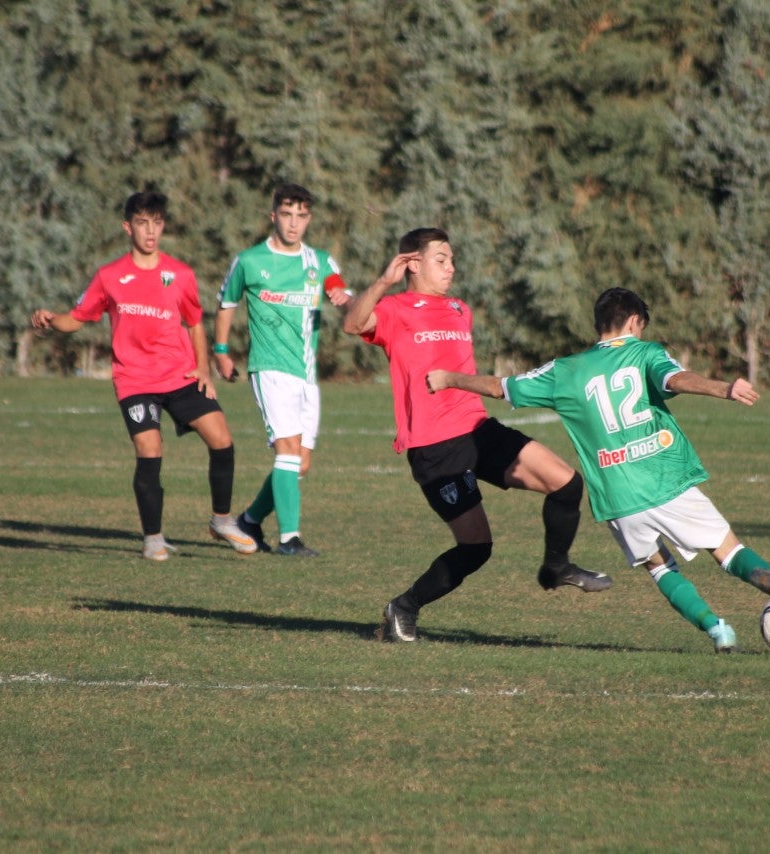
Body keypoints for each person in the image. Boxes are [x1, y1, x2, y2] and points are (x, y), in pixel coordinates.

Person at [425, 286, 770, 653]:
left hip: (618, 497)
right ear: (634, 321)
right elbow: (677, 379)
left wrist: (448, 378)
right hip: (664, 478)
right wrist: (724, 388)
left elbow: (500, 387)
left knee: (660, 568)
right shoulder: (645, 353)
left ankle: (717, 629)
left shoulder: (566, 369)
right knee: (729, 552)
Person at [343, 227, 611, 643]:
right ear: (413, 263)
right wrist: (382, 282)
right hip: (435, 447)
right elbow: (353, 323)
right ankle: (404, 608)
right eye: (441, 260)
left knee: (567, 482)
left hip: (478, 429)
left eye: (452, 259)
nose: (451, 267)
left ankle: (557, 566)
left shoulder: (458, 309)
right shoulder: (395, 308)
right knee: (476, 548)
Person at [30, 191, 256, 560]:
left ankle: (221, 520)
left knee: (222, 440)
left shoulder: (179, 274)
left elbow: (195, 322)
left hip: (181, 375)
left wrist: (202, 367)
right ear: (127, 226)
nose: (150, 231)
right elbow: (79, 317)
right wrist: (51, 320)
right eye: (142, 223)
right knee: (150, 450)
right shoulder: (109, 277)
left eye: (157, 223)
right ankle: (153, 537)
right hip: (135, 380)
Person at [212, 183, 351, 557]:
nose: (293, 224)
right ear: (273, 216)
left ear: (308, 219)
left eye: (301, 216)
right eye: (287, 215)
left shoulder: (318, 262)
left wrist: (340, 293)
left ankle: (250, 521)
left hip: (306, 374)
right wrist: (221, 351)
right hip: (269, 369)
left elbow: (336, 284)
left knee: (299, 463)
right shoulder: (250, 261)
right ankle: (289, 539)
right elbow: (226, 303)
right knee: (287, 450)